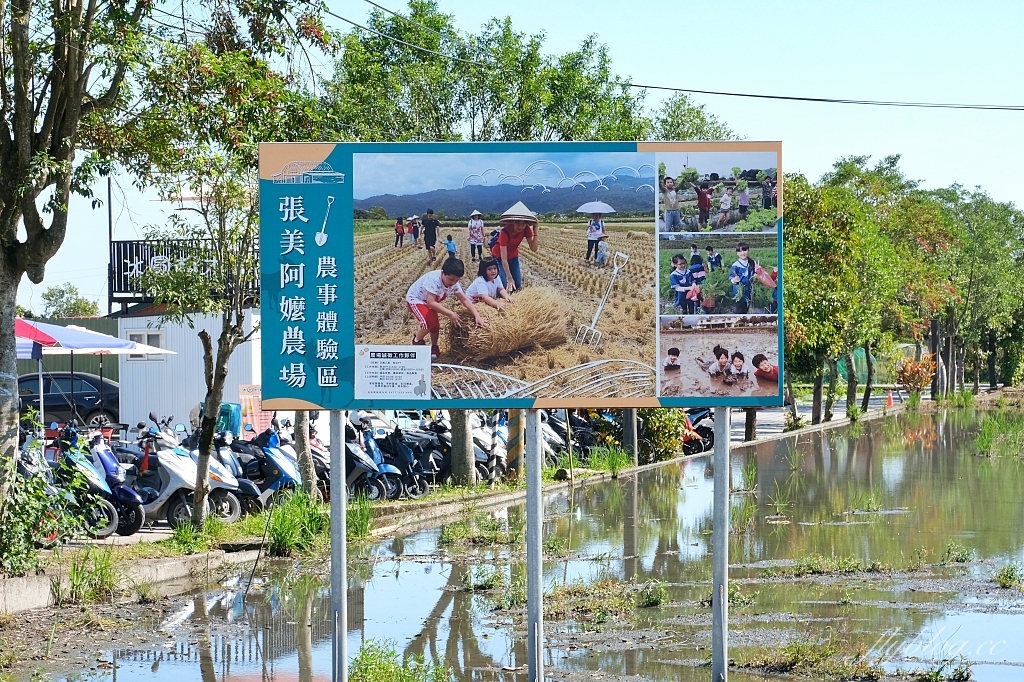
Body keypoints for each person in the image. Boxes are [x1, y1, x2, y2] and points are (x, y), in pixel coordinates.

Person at [406, 257, 485, 361]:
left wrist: (477, 315)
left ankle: (434, 346)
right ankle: (417, 340)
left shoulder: (454, 283)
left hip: (432, 301)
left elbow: (464, 299)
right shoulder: (434, 280)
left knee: (435, 325)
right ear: (443, 273)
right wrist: (450, 314)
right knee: (428, 322)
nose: (453, 283)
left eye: (457, 280)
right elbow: (431, 302)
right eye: (451, 279)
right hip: (417, 299)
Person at [491, 201, 539, 292]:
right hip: (499, 258)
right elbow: (504, 259)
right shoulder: (504, 232)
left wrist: (535, 231)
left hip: (513, 257)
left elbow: (534, 248)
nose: (520, 226)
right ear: (512, 221)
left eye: (523, 223)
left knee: (517, 285)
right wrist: (509, 278)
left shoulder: (526, 229)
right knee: (503, 284)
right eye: (518, 222)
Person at [730, 242, 755, 314]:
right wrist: (734, 280)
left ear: (748, 250)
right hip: (739, 292)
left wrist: (756, 275)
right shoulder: (735, 265)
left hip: (749, 291)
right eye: (740, 251)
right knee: (739, 310)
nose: (742, 253)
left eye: (744, 250)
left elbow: (755, 274)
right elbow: (731, 276)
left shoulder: (752, 263)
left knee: (746, 309)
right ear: (737, 253)